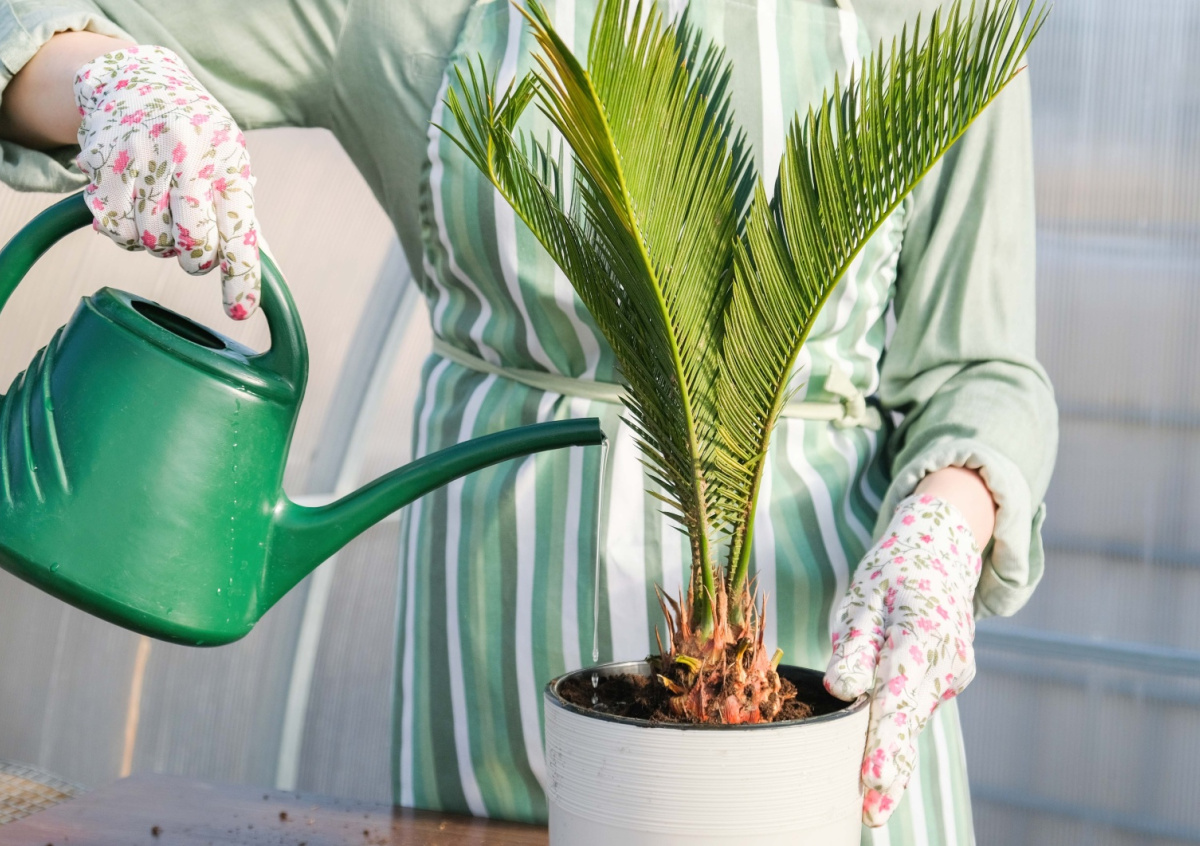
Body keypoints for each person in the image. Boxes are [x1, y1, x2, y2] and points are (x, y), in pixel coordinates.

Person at [0, 0, 1057, 842]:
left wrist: (949, 524)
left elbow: (981, 368)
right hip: (495, 669)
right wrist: (108, 85)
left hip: (820, 687)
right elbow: (38, 28)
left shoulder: (936, 13)